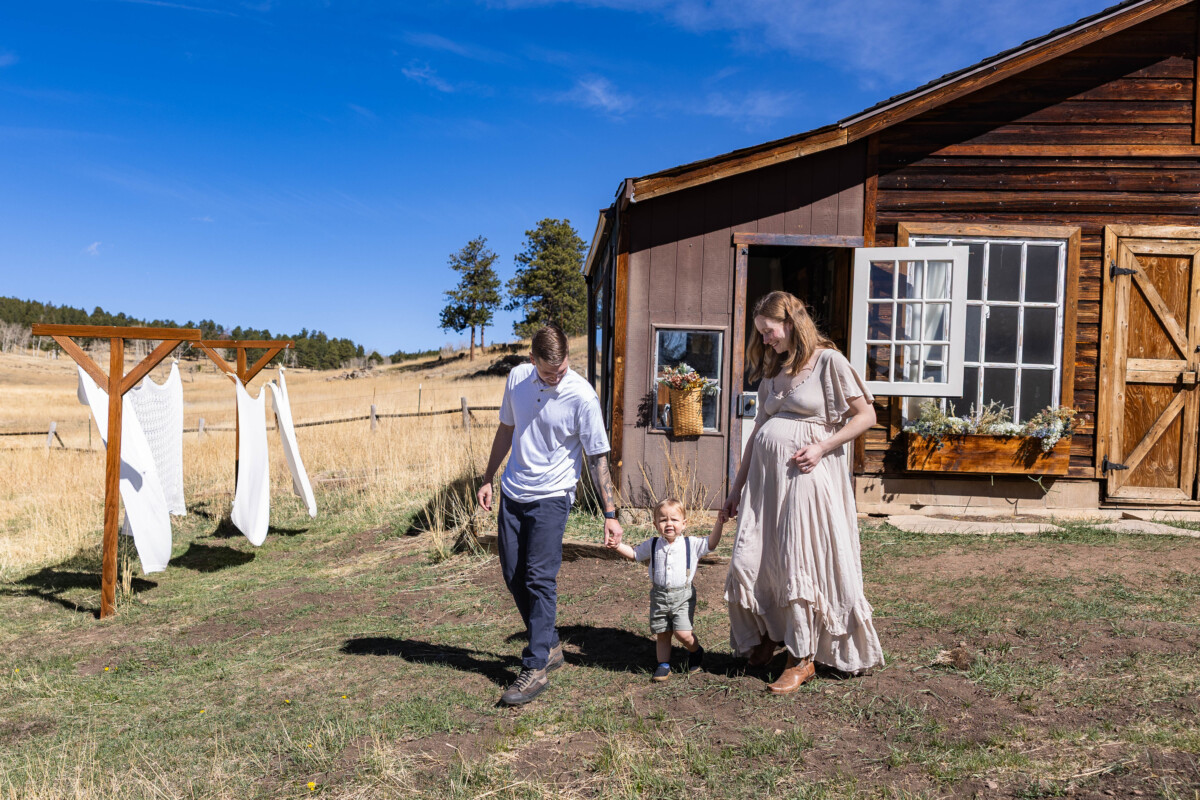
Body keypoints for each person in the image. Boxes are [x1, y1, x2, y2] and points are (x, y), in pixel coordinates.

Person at [722, 291, 884, 694]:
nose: (765, 340)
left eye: (769, 331)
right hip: (765, 485)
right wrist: (735, 489)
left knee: (798, 560)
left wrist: (823, 446)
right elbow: (758, 432)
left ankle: (802, 657)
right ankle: (769, 637)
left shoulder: (828, 362)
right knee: (755, 557)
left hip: (806, 481)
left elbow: (867, 415)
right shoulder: (774, 371)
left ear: (791, 322)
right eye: (760, 333)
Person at [477, 324, 623, 706]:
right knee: (513, 574)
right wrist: (488, 476)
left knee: (539, 577)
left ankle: (536, 664)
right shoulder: (516, 380)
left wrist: (610, 512)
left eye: (561, 370)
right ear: (532, 361)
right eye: (547, 372)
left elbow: (597, 457)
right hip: (513, 491)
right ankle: (550, 644)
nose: (556, 378)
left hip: (553, 496)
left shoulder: (582, 397)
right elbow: (506, 429)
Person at [608, 498, 725, 682]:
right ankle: (663, 664)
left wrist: (719, 523)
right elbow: (635, 554)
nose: (669, 524)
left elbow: (711, 543)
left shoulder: (691, 544)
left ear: (684, 523)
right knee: (662, 633)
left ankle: (696, 650)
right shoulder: (653, 544)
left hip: (683, 596)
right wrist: (617, 546)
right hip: (659, 596)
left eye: (674, 520)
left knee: (682, 634)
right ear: (655, 524)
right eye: (663, 520)